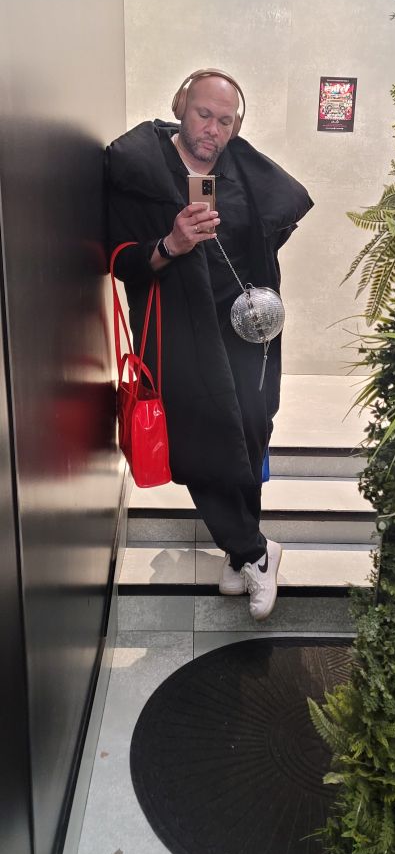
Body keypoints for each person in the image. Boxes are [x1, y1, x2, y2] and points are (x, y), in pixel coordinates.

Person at [106, 68, 313, 620]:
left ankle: (238, 553)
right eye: (203, 114)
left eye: (225, 121)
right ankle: (254, 550)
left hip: (244, 334)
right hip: (180, 334)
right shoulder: (140, 169)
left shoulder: (241, 168)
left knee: (247, 437)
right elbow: (121, 260)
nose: (212, 130)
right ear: (180, 104)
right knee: (198, 445)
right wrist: (171, 244)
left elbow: (281, 215)